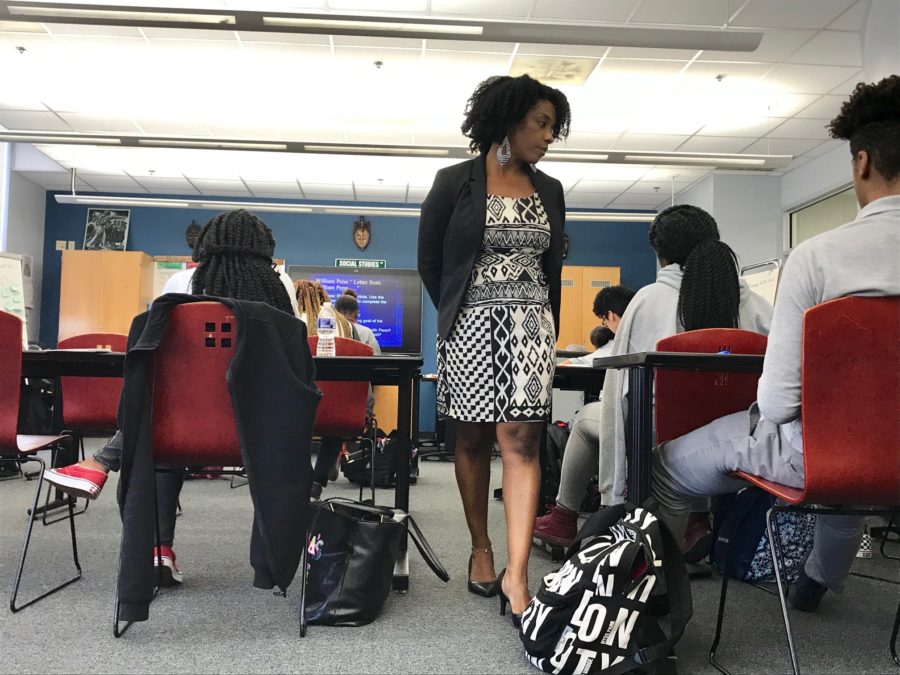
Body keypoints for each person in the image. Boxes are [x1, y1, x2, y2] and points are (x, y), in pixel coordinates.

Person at [651, 75, 900, 611]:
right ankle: (815, 582)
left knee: (666, 466)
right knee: (860, 456)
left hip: (825, 457)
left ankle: (661, 607)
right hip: (889, 458)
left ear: (861, 163)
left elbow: (780, 404)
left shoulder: (818, 257)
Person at [43, 208, 297, 585]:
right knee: (179, 422)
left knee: (159, 436)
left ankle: (156, 544)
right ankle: (274, 559)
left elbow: (156, 363)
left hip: (183, 427)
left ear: (205, 246)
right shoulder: (281, 286)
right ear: (264, 248)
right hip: (260, 432)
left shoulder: (179, 284)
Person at [417, 73, 570, 625]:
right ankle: (481, 547)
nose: (549, 136)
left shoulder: (549, 190)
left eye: (554, 126)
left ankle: (517, 571)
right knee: (474, 440)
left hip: (531, 326)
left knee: (523, 442)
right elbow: (432, 263)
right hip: (470, 327)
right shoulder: (453, 182)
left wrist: (542, 322)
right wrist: (462, 312)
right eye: (542, 123)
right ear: (507, 119)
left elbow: (551, 268)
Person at [534, 286, 635, 547]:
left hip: (633, 420)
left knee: (584, 419)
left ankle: (564, 515)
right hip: (671, 425)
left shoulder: (622, 339)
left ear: (611, 316)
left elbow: (584, 363)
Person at [295, 279, 356, 499]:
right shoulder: (345, 324)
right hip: (337, 411)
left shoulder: (292, 321)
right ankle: (319, 477)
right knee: (335, 417)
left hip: (300, 409)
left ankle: (303, 475)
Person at [336, 288, 381, 354]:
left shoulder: (328, 332)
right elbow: (377, 360)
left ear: (335, 312)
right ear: (356, 313)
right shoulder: (367, 333)